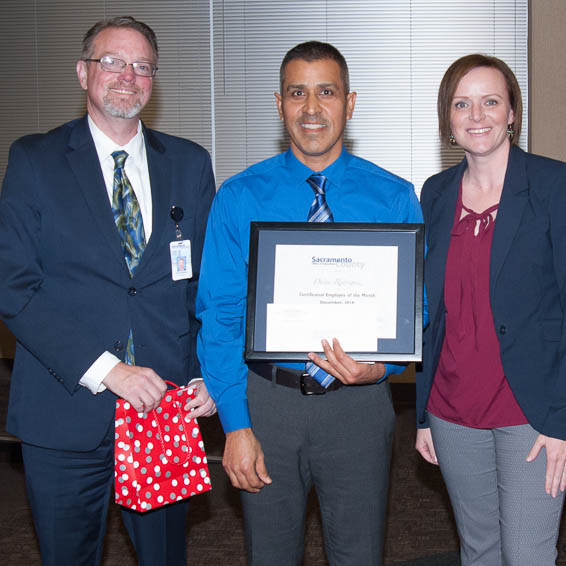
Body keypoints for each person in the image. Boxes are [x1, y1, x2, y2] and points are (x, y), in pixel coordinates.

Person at [0, 16, 216, 566]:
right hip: (67, 405)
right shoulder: (34, 160)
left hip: (165, 411)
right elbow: (14, 286)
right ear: (83, 73)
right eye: (113, 61)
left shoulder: (189, 164)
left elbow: (205, 288)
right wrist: (108, 370)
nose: (128, 75)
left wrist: (203, 373)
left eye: (143, 66)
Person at [196, 41, 423, 566]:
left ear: (350, 102)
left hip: (359, 407)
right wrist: (234, 424)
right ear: (279, 104)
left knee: (360, 554)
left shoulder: (392, 197)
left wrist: (380, 366)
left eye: (327, 92)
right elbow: (221, 316)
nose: (312, 108)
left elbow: (419, 308)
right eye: (297, 93)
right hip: (266, 406)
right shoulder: (239, 196)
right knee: (270, 555)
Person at [415, 54, 566, 565]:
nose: (477, 115)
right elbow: (430, 315)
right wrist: (420, 416)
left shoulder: (554, 187)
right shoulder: (434, 195)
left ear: (512, 114)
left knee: (527, 555)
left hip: (533, 413)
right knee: (477, 551)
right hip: (452, 411)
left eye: (490, 102)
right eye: (462, 103)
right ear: (448, 119)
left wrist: (563, 421)